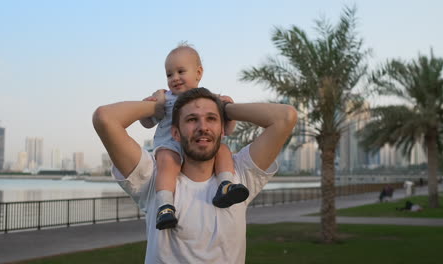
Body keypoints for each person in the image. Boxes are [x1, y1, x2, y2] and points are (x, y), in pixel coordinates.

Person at [92, 87, 297, 263]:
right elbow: (105, 118)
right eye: (191, 119)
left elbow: (286, 117)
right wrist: (155, 107)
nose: (203, 127)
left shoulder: (239, 177)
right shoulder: (154, 178)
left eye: (211, 119)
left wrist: (227, 109)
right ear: (175, 133)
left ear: (222, 129)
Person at [139, 44, 248, 230]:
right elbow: (147, 122)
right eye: (169, 74)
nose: (175, 78)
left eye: (181, 71)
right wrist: (153, 105)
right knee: (166, 162)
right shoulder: (165, 98)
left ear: (198, 73)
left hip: (201, 146)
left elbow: (228, 130)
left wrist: (229, 108)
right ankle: (165, 206)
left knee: (223, 149)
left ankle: (225, 185)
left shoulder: (210, 99)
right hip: (170, 146)